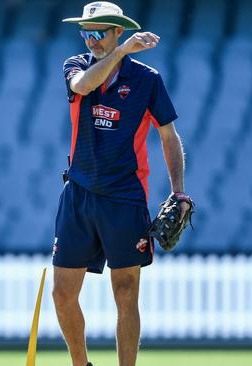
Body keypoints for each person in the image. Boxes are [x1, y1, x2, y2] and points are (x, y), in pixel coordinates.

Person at [52, 2, 191, 366]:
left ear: (118, 32)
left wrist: (178, 191)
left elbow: (169, 136)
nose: (91, 40)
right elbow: (84, 85)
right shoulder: (76, 65)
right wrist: (122, 53)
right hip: (79, 194)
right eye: (86, 32)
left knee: (126, 292)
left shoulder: (147, 79)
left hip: (125, 197)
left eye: (99, 32)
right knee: (63, 294)